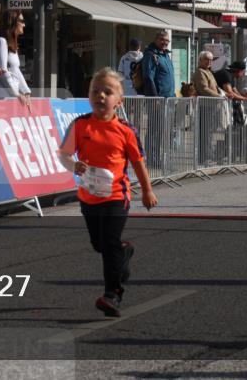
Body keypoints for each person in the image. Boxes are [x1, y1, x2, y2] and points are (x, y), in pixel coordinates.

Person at [57, 67, 157, 318]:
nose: (100, 96)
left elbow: (138, 162)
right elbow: (64, 155)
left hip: (115, 197)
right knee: (100, 245)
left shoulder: (125, 130)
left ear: (119, 100)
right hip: (89, 197)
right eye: (95, 91)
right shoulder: (80, 125)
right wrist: (73, 165)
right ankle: (124, 252)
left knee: (109, 243)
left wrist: (147, 191)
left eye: (107, 92)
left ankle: (113, 294)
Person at [0, 10, 32, 106]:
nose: (24, 25)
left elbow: (16, 70)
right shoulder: (1, 41)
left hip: (11, 96)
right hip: (1, 97)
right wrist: (16, 94)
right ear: (12, 22)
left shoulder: (11, 45)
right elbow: (2, 71)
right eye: (22, 21)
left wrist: (26, 91)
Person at [143, 31, 176, 98]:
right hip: (158, 99)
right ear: (156, 40)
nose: (165, 42)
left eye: (167, 40)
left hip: (170, 98)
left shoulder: (166, 55)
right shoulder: (151, 55)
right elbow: (148, 78)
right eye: (162, 40)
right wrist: (155, 99)